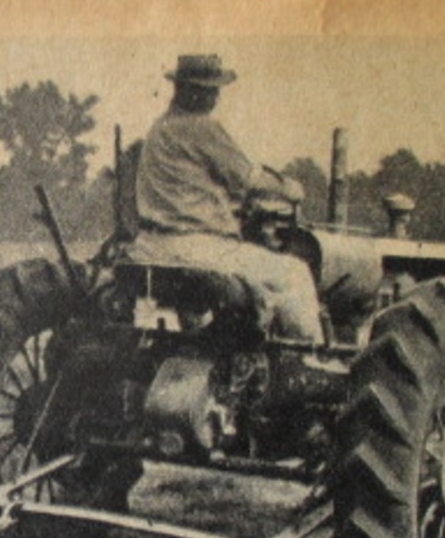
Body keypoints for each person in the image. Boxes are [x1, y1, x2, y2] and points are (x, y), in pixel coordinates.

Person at [130, 53, 324, 344]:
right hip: (196, 248)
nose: (215, 96)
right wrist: (292, 189)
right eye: (209, 89)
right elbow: (251, 178)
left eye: (215, 89)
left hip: (152, 245)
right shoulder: (200, 127)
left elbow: (201, 187)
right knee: (295, 274)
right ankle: (313, 363)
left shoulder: (159, 128)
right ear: (188, 90)